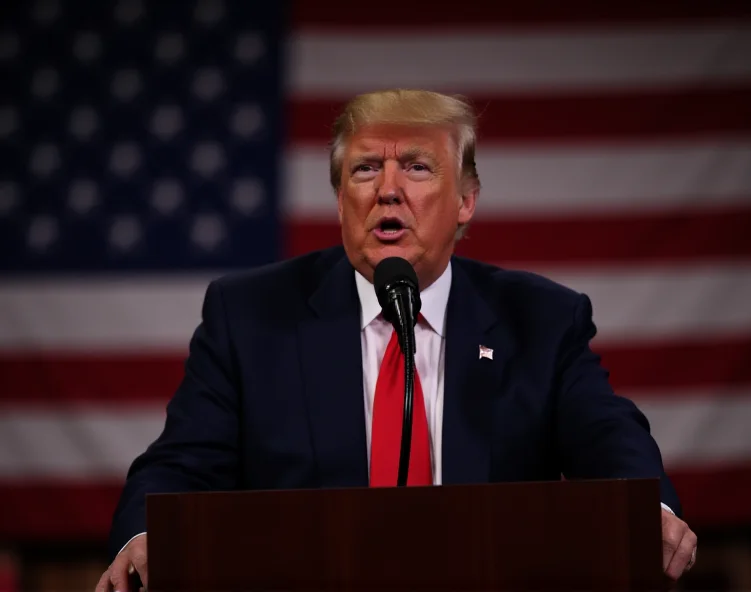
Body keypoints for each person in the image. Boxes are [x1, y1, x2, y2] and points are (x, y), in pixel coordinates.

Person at [96, 89, 697, 591]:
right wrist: (144, 536)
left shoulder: (539, 320)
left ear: (466, 201)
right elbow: (179, 463)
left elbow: (607, 434)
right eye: (365, 168)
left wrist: (653, 512)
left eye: (416, 166)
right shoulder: (250, 316)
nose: (388, 189)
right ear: (341, 201)